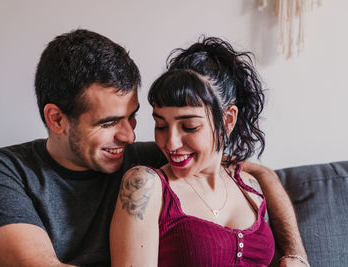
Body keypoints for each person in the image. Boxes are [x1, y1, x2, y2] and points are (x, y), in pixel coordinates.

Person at [0, 29, 306, 267]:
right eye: (109, 122)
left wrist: (294, 252)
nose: (128, 135)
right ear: (57, 119)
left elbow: (255, 171)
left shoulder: (145, 158)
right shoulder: (1, 174)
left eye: (134, 117)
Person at [110, 37, 307, 266]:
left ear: (228, 119)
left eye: (189, 126)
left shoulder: (249, 186)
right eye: (161, 126)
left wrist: (295, 256)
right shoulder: (145, 185)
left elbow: (265, 175)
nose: (171, 143)